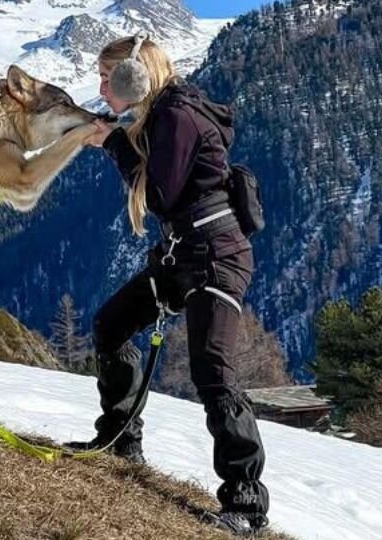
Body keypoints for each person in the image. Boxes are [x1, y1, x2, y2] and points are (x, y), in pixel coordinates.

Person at [65, 33, 270, 534]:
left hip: (215, 256)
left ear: (133, 77)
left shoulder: (176, 115)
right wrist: (116, 135)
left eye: (107, 76)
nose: (102, 86)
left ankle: (246, 506)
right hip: (187, 253)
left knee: (213, 370)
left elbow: (158, 195)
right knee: (112, 324)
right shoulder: (163, 113)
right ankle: (120, 441)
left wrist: (112, 142)